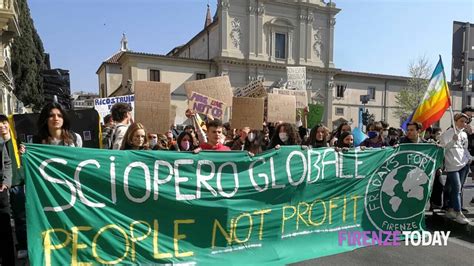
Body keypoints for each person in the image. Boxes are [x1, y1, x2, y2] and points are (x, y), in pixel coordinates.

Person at [440, 113, 471, 224]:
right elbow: (442, 149)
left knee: (456, 189)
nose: (464, 123)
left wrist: (469, 158)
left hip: (464, 164)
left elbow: (464, 149)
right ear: (455, 121)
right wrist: (453, 141)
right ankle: (458, 213)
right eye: (461, 121)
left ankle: (450, 209)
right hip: (452, 166)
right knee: (457, 188)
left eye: (465, 122)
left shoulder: (464, 134)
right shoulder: (447, 134)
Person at [0, 115, 15, 264]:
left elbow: (7, 162)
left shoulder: (0, 142)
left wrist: (6, 183)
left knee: (5, 229)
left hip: (1, 193)